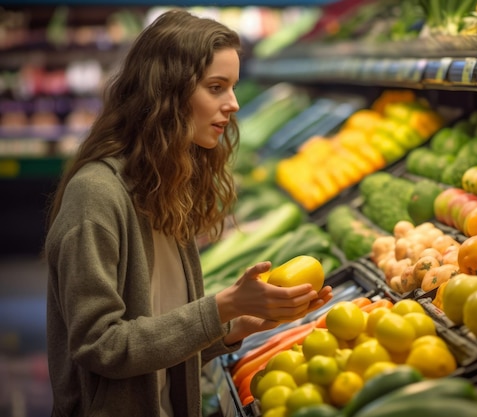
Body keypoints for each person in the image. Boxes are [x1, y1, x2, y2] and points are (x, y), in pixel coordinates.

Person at [44, 9, 333, 417]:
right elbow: (102, 346)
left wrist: (234, 328)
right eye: (216, 87)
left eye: (232, 87)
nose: (233, 104)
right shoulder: (96, 197)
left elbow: (158, 341)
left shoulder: (164, 187)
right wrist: (221, 307)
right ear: (166, 93)